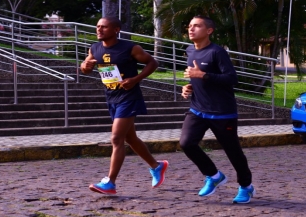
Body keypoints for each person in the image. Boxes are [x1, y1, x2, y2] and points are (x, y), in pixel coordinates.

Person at [81, 17, 168, 195]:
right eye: (97, 26)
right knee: (130, 138)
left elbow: (153, 63)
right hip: (111, 97)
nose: (99, 30)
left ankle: (110, 183)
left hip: (129, 97)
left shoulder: (130, 48)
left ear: (116, 30)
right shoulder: (95, 48)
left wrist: (135, 79)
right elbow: (86, 68)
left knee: (116, 138)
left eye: (104, 27)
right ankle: (156, 166)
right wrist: (85, 65)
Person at [179, 16, 255, 204]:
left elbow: (231, 78)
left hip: (222, 112)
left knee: (233, 152)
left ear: (209, 31)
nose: (191, 29)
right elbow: (196, 77)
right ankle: (213, 175)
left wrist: (202, 75)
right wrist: (190, 86)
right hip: (197, 109)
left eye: (197, 26)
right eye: (190, 26)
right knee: (186, 143)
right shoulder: (190, 50)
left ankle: (246, 186)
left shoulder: (217, 52)